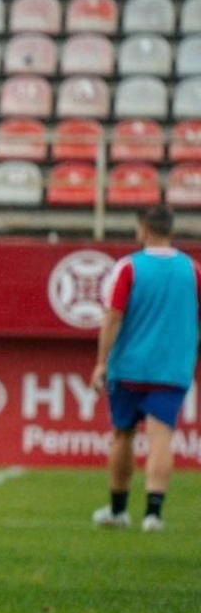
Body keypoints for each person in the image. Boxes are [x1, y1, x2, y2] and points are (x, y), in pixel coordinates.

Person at [91, 205, 198, 533]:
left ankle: (118, 510)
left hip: (130, 367)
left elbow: (112, 316)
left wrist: (100, 362)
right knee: (161, 435)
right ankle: (153, 514)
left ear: (144, 229)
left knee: (122, 434)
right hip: (172, 368)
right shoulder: (191, 270)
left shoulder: (129, 268)